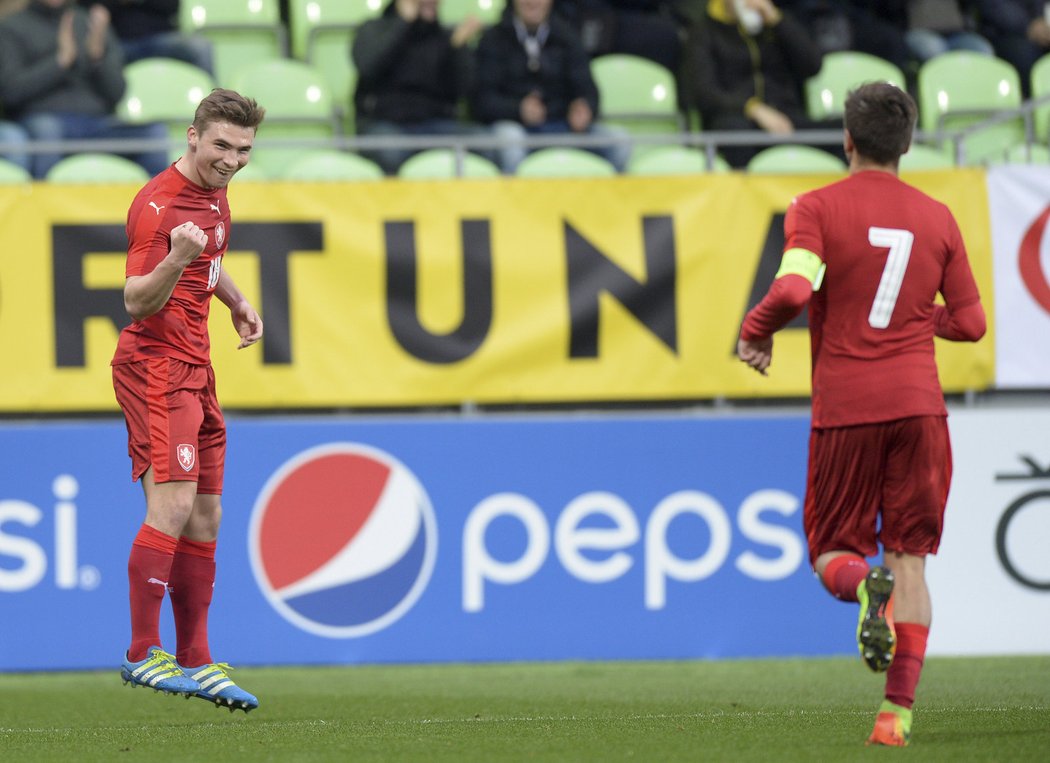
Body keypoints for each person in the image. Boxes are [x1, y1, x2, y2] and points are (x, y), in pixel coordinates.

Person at [736, 82, 985, 746]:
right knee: (913, 563)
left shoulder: (814, 207)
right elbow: (971, 323)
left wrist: (756, 330)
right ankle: (894, 716)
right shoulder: (938, 217)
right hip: (920, 410)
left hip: (848, 407)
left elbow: (793, 288)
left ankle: (860, 585)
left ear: (846, 139)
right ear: (907, 143)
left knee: (829, 550)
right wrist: (915, 316)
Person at [111, 88, 265, 712]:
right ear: (192, 136)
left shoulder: (214, 189)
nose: (231, 160)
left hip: (195, 365)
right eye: (221, 145)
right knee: (171, 506)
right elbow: (136, 300)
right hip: (155, 367)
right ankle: (143, 652)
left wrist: (235, 300)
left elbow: (209, 255)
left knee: (206, 516)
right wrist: (177, 257)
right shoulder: (159, 205)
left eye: (243, 149)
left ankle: (197, 660)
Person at [0, 0, 169, 179]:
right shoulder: (11, 26)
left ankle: (157, 205)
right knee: (46, 130)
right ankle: (44, 205)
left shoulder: (90, 22)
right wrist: (60, 62)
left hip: (98, 122)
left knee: (155, 133)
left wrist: (97, 58)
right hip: (46, 119)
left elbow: (118, 93)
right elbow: (11, 93)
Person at [471, 0, 631, 173]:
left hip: (564, 126)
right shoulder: (493, 39)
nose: (533, 2)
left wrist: (584, 108)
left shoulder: (567, 36)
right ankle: (515, 200)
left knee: (619, 141)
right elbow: (481, 101)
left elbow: (589, 91)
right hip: (519, 129)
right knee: (510, 141)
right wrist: (518, 109)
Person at [681, 0, 837, 168]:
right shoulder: (704, 31)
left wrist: (778, 21)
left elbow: (812, 66)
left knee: (845, 130)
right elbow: (703, 92)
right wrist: (752, 108)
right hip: (736, 119)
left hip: (786, 118)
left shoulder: (775, 24)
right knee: (734, 129)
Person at [351, 0, 490, 175]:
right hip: (384, 122)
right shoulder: (373, 29)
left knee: (485, 142)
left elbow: (463, 90)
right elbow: (368, 66)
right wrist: (403, 23)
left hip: (434, 125)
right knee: (391, 152)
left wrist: (458, 49)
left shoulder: (444, 38)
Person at [83, 0, 214, 75]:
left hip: (161, 37)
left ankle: (213, 112)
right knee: (92, 57)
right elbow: (90, 8)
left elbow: (173, 6)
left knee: (200, 48)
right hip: (118, 41)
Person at [976, 0, 1050, 97]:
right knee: (1025, 55)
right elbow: (992, 7)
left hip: (1040, 23)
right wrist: (1028, 26)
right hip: (1003, 33)